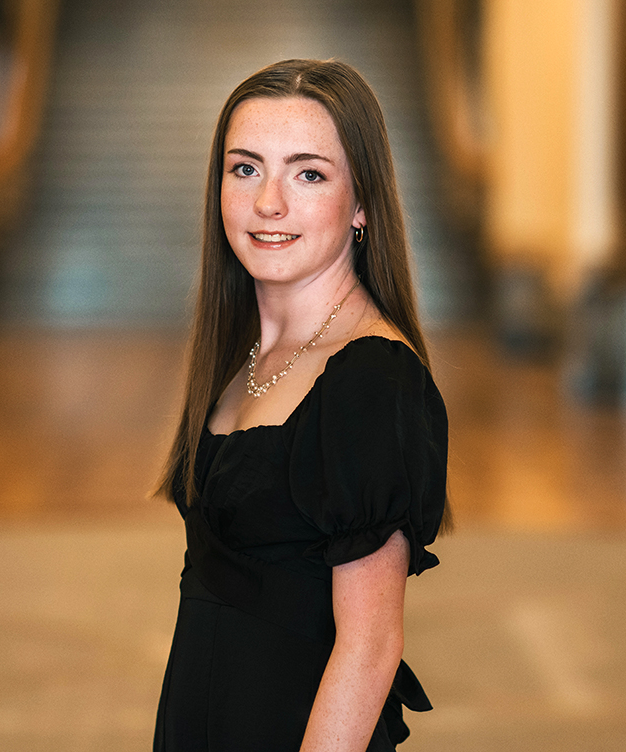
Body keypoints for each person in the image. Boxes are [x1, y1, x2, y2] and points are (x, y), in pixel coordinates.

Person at [153, 58, 449, 752]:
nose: (268, 204)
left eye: (308, 173)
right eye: (246, 168)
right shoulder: (238, 357)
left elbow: (369, 649)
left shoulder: (374, 380)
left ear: (361, 203)